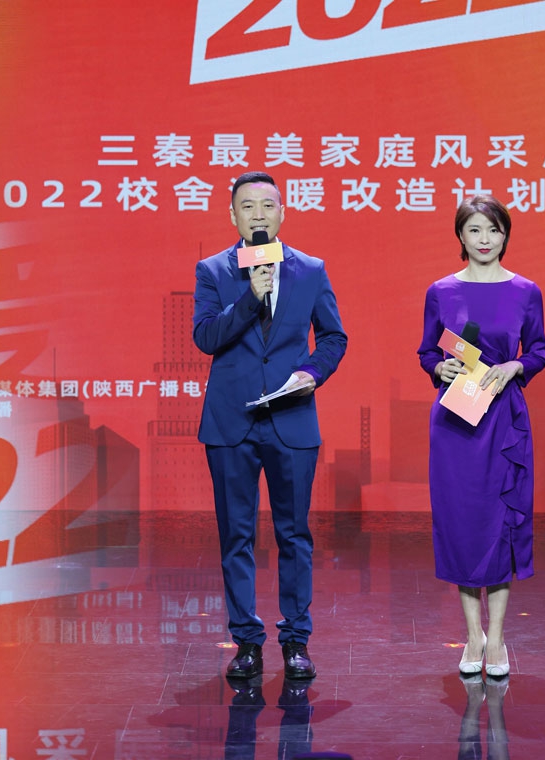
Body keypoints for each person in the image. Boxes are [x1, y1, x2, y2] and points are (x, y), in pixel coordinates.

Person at [193, 171, 347, 680]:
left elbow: (333, 338)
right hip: (230, 423)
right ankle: (247, 642)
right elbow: (205, 337)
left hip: (291, 419)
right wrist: (249, 299)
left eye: (267, 205)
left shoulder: (311, 270)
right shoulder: (213, 270)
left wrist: (312, 373)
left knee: (294, 535)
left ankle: (296, 640)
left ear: (283, 212)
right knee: (235, 537)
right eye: (247, 206)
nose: (258, 214)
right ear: (232, 216)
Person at [417, 194, 545, 678]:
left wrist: (515, 365)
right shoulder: (441, 291)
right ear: (460, 236)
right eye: (475, 230)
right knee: (463, 525)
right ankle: (473, 634)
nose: (485, 239)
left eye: (493, 229)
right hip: (456, 421)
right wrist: (439, 367)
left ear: (506, 235)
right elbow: (427, 352)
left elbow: (538, 350)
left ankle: (497, 637)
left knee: (501, 523)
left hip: (503, 419)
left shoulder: (526, 291)